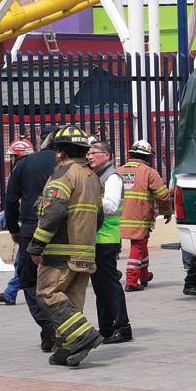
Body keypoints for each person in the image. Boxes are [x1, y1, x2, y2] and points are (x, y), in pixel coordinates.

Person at [26, 125, 104, 366]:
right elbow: (99, 218)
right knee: (70, 300)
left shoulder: (63, 173)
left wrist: (37, 244)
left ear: (61, 152)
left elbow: (55, 211)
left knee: (47, 293)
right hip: (85, 252)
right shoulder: (93, 178)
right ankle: (66, 350)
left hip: (61, 252)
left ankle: (83, 335)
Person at [3, 128, 61, 351]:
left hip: (32, 229)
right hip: (63, 231)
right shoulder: (73, 166)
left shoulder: (26, 164)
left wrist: (13, 228)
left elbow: (10, 200)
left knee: (29, 281)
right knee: (61, 281)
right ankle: (62, 326)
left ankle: (48, 327)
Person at [86, 141, 132, 343]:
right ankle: (106, 327)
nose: (89, 156)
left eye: (94, 152)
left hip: (106, 239)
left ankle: (122, 327)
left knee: (110, 285)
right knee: (100, 288)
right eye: (88, 153)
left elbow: (112, 206)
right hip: (95, 238)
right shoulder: (96, 175)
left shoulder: (112, 176)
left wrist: (86, 201)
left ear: (107, 155)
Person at [118, 140, 173, 291]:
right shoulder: (149, 172)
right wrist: (168, 212)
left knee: (142, 246)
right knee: (137, 247)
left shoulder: (118, 171)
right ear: (147, 157)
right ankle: (131, 281)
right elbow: (163, 196)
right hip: (140, 219)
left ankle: (144, 275)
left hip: (119, 218)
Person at [0, 139, 35, 306]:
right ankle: (10, 293)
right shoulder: (36, 167)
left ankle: (10, 293)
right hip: (38, 221)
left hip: (26, 223)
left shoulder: (19, 170)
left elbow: (14, 200)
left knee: (22, 261)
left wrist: (12, 226)